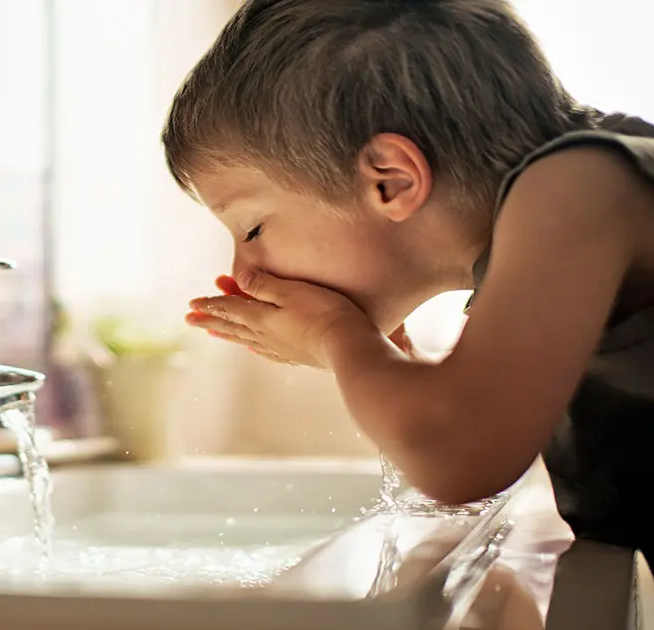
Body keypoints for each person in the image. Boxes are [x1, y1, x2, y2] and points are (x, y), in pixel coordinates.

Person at [169, 0, 654, 559]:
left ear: (393, 182)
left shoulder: (576, 188)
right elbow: (481, 420)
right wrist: (404, 372)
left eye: (252, 229)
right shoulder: (555, 210)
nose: (241, 274)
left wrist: (336, 336)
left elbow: (460, 456)